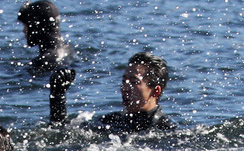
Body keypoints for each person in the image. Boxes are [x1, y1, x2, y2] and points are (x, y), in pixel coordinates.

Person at [48, 52, 176, 134]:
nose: (124, 87)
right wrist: (58, 95)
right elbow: (61, 131)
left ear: (155, 91)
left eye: (134, 82)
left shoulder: (165, 129)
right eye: (124, 80)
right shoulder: (112, 121)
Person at [16, 0, 71, 72]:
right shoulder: (68, 51)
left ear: (36, 27)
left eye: (25, 25)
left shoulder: (42, 63)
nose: (23, 30)